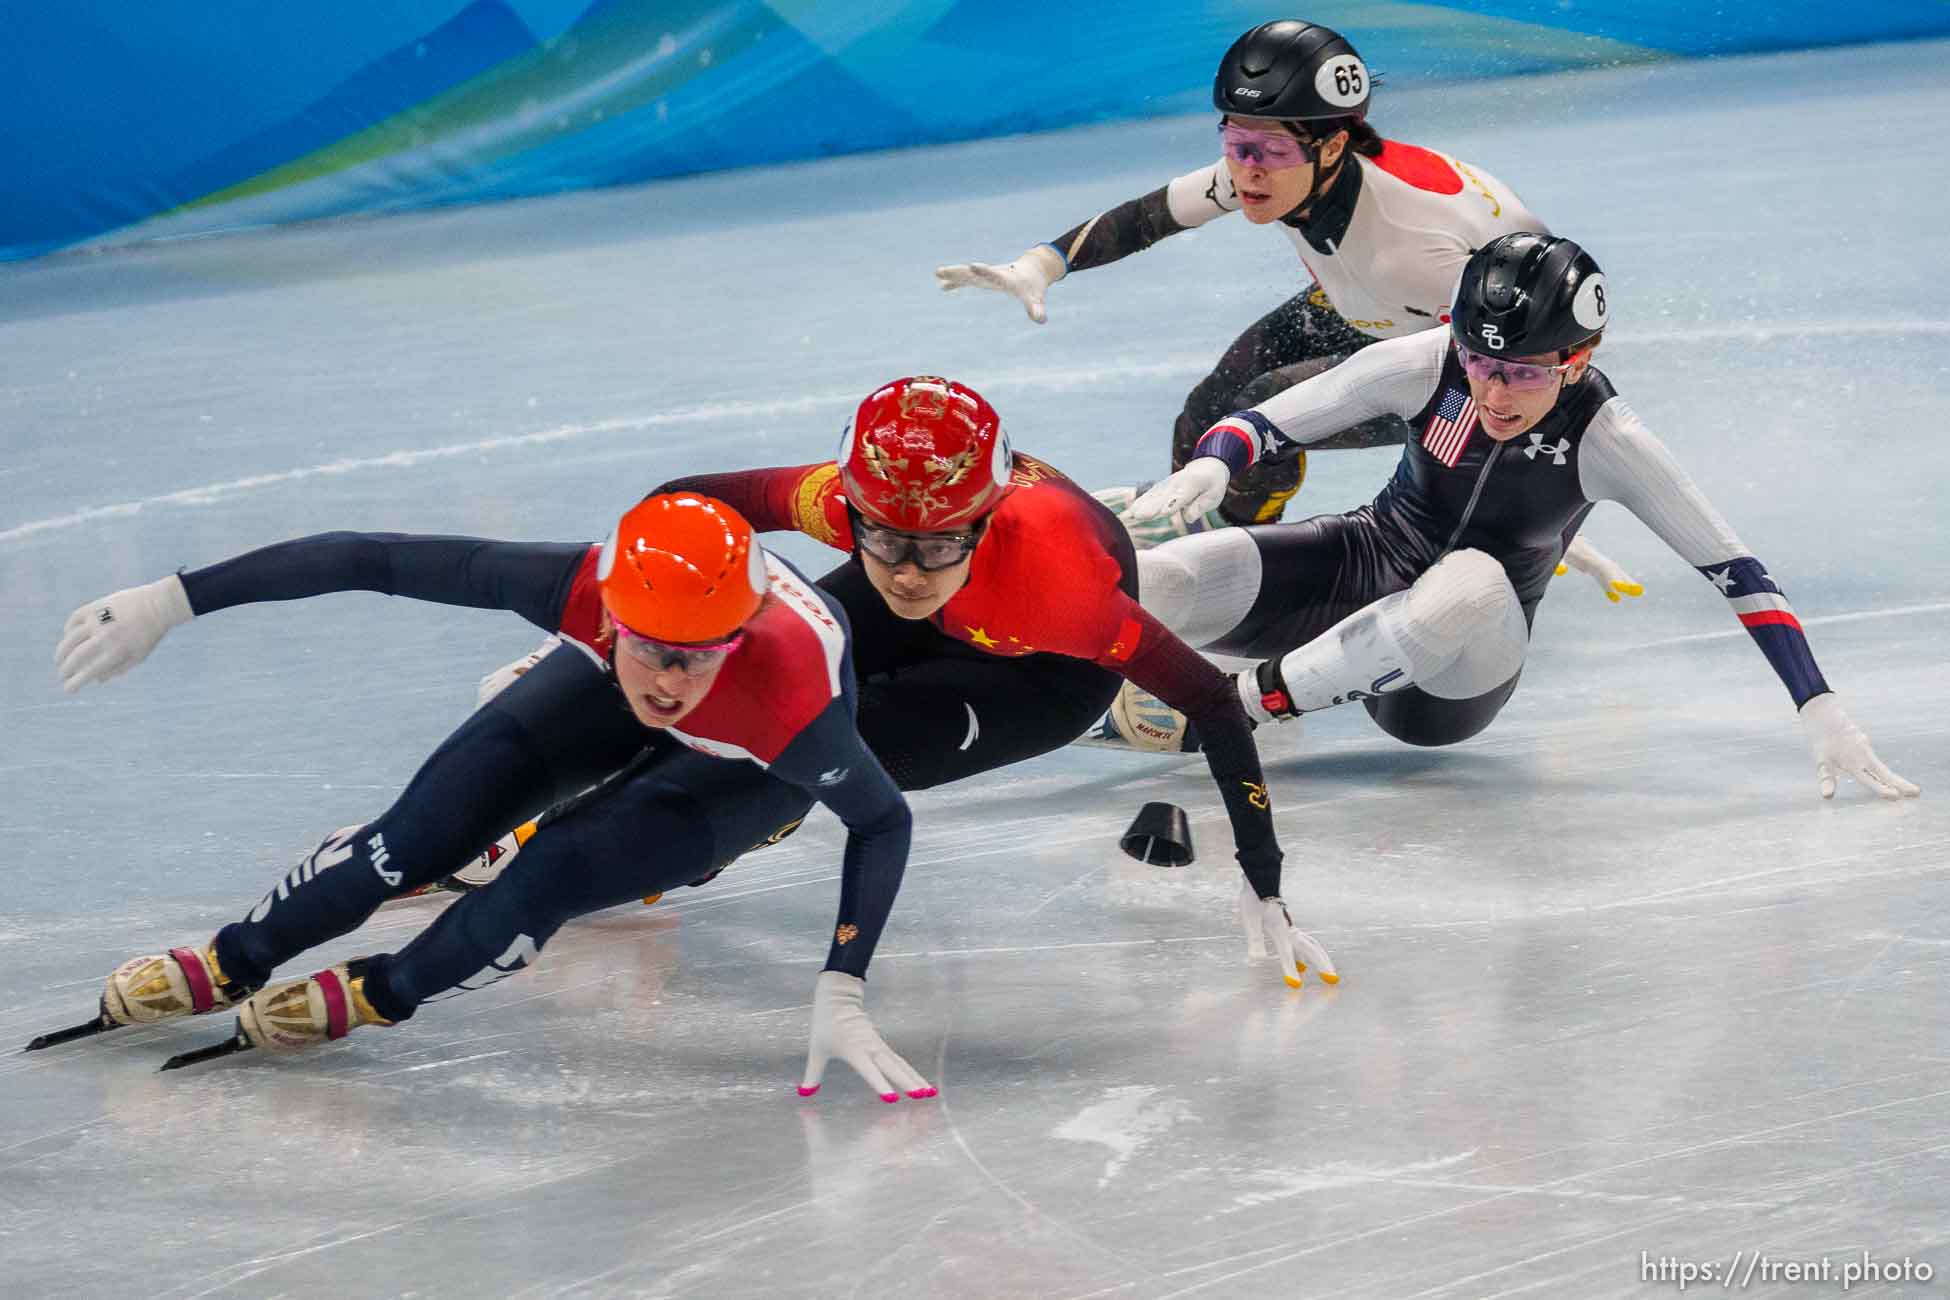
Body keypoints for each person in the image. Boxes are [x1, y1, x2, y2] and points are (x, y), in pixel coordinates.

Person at [47, 494, 937, 1100]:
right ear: (609, 614)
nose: (669, 679)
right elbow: (369, 558)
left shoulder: (792, 706)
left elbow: (882, 818)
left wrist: (843, 985)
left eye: (697, 652)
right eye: (651, 646)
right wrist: (174, 599)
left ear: (739, 635)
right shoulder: (575, 587)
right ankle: (239, 954)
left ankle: (380, 991)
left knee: (544, 876)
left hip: (746, 770)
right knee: (408, 843)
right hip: (603, 681)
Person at [475, 376, 1336, 986]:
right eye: (883, 535)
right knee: (746, 665)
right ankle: (554, 811)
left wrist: (1263, 876)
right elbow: (685, 503)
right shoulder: (867, 514)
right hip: (966, 596)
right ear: (852, 509)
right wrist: (642, 617)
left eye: (936, 542)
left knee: (818, 742)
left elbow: (1216, 701)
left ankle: (684, 845)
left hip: (1040, 674)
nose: (909, 569)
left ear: (984, 520)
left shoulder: (1063, 590)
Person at [1113, 233, 1919, 802]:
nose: (1495, 394)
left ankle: (1232, 711)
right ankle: (1029, 677)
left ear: (1580, 360)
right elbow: (1264, 420)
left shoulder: (1610, 438)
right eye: (1481, 363)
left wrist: (1819, 704)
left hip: (1451, 672)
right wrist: (1216, 463)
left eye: (1525, 374)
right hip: (1364, 563)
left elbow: (1738, 571)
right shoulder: (1429, 364)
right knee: (1159, 579)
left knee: (1469, 581)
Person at [935, 18, 1545, 531]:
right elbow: (1150, 217)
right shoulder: (1282, 165)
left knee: (1261, 408)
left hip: (1486, 351)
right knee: (1209, 404)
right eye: (1235, 140)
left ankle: (1228, 552)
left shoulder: (1417, 242)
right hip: (1379, 307)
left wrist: (1502, 491)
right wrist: (1041, 265)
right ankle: (1196, 522)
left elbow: (1506, 365)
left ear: (1333, 146)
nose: (1247, 171)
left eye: (1270, 151)